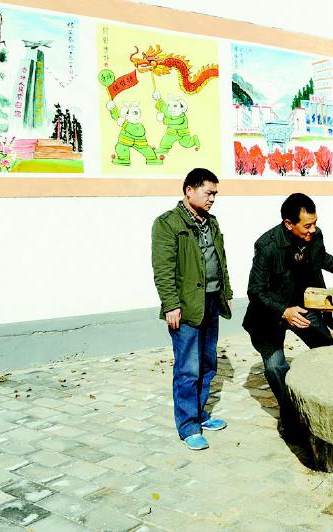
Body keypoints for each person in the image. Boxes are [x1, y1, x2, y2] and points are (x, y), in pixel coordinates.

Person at [243, 193, 333, 438]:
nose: (313, 229)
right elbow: (255, 290)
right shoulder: (267, 246)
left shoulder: (314, 235)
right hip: (270, 312)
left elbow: (322, 258)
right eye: (307, 225)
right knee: (275, 367)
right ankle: (291, 418)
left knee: (327, 351)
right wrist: (283, 311)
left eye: (315, 223)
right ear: (288, 224)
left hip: (302, 306)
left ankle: (325, 405)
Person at [151, 168, 233, 451]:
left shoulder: (211, 222)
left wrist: (227, 293)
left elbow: (220, 259)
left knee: (208, 363)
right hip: (185, 306)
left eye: (215, 194)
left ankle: (199, 414)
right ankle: (188, 427)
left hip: (211, 302)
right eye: (208, 192)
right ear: (189, 190)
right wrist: (171, 304)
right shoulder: (168, 224)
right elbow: (163, 269)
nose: (213, 199)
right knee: (188, 368)